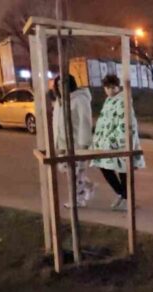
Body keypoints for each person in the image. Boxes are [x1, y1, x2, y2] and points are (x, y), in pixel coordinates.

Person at [90, 74, 145, 212]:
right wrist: (98, 140)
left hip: (119, 144)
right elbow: (103, 123)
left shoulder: (122, 101)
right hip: (105, 144)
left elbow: (125, 124)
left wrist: (115, 141)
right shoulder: (108, 101)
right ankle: (123, 195)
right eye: (107, 87)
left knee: (123, 171)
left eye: (112, 87)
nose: (109, 90)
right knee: (105, 167)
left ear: (118, 86)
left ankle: (126, 198)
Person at [51, 75, 94, 208]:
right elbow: (57, 123)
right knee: (64, 168)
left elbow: (85, 121)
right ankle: (87, 185)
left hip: (76, 143)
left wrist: (83, 144)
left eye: (63, 84)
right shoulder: (60, 101)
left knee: (75, 174)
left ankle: (78, 200)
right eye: (57, 85)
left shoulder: (79, 100)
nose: (60, 87)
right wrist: (57, 143)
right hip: (64, 144)